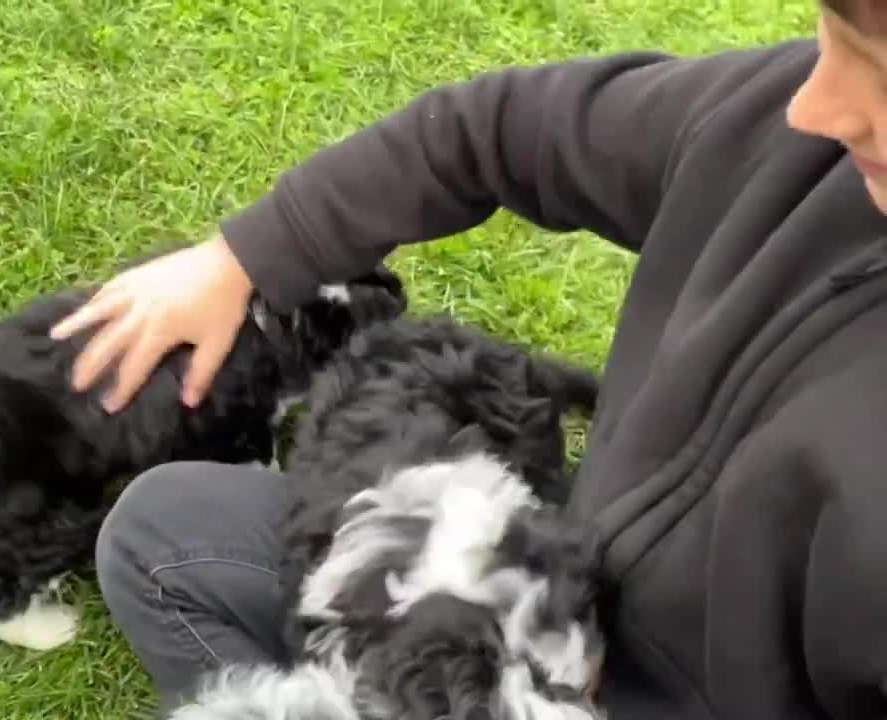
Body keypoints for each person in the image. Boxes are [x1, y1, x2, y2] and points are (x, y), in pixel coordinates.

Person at [52, 1, 887, 717]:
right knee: (162, 530)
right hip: (537, 581)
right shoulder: (785, 132)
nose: (819, 106)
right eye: (830, 38)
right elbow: (499, 130)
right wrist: (245, 257)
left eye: (880, 69)